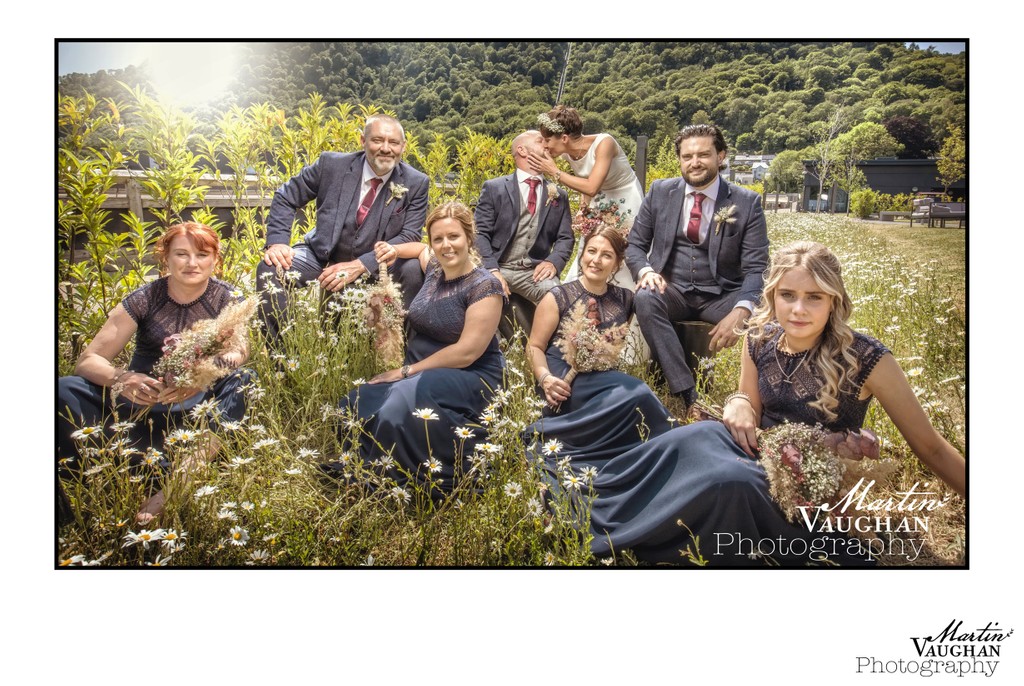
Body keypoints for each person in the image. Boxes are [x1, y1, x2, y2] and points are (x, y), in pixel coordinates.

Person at [552, 241, 965, 566]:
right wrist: (737, 402)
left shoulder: (867, 358)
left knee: (730, 482)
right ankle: (605, 501)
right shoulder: (760, 338)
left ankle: (656, 532)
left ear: (834, 300)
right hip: (752, 448)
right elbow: (750, 405)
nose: (798, 309)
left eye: (814, 297)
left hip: (806, 479)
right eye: (787, 295)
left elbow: (929, 447)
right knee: (693, 438)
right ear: (772, 295)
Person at [57, 222, 254, 523]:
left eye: (202, 254)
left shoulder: (228, 298)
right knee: (64, 389)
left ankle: (177, 484)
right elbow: (89, 360)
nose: (191, 263)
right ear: (165, 258)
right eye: (181, 254)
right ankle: (123, 468)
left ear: (215, 259)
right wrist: (122, 378)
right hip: (139, 406)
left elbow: (239, 352)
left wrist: (200, 378)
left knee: (243, 383)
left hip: (195, 410)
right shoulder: (145, 298)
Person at [332, 202, 506, 491]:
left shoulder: (485, 287)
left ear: (469, 238)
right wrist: (394, 250)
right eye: (438, 239)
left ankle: (400, 480)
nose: (446, 245)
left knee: (395, 409)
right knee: (354, 402)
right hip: (422, 370)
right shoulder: (436, 268)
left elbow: (468, 352)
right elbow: (419, 250)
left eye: (454, 237)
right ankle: (367, 467)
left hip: (468, 373)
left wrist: (405, 372)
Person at [626, 123, 769, 410]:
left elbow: (757, 268)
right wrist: (646, 271)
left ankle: (761, 401)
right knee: (644, 296)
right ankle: (688, 395)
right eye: (687, 156)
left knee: (771, 313)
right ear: (679, 159)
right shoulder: (660, 191)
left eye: (703, 155)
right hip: (673, 289)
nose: (694, 163)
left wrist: (741, 310)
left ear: (721, 156)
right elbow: (635, 246)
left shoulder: (746, 201)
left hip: (721, 295)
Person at [257, 114, 430, 344]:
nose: (386, 149)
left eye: (394, 143)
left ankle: (405, 355)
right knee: (271, 268)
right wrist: (277, 242)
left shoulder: (416, 182)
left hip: (377, 265)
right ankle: (285, 359)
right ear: (363, 141)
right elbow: (286, 196)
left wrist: (361, 265)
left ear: (403, 146)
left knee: (413, 269)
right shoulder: (331, 165)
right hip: (320, 255)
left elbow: (409, 235)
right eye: (377, 140)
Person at [523, 227, 673, 465]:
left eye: (606, 255)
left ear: (616, 264)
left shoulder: (626, 299)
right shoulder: (557, 296)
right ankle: (669, 444)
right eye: (591, 251)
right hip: (562, 380)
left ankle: (662, 449)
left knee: (635, 396)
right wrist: (545, 379)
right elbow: (534, 347)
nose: (596, 260)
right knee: (639, 392)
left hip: (603, 377)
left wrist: (648, 276)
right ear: (582, 255)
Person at [529, 105, 644, 288]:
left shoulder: (604, 143)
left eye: (548, 140)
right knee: (590, 244)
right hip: (599, 198)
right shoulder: (566, 152)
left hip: (625, 197)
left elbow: (591, 186)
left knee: (621, 248)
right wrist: (585, 208)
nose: (545, 144)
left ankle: (627, 294)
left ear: (564, 138)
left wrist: (554, 172)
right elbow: (585, 186)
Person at [474, 130, 573, 307]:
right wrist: (491, 270)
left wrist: (553, 261)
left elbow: (565, 237)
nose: (546, 144)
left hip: (533, 272)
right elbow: (480, 234)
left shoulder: (559, 195)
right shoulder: (494, 188)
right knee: (482, 296)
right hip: (497, 266)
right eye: (539, 140)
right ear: (522, 150)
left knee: (558, 297)